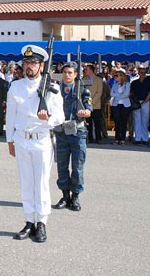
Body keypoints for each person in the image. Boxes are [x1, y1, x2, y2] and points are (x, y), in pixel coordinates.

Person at [6, 45, 64, 243]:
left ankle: (42, 222)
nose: (29, 66)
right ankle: (29, 220)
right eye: (26, 62)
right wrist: (10, 140)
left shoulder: (52, 88)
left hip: (41, 140)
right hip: (21, 140)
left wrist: (48, 118)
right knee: (26, 183)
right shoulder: (15, 86)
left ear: (42, 66)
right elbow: (10, 116)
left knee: (41, 183)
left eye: (33, 63)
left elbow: (60, 117)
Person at [53, 62, 91, 212]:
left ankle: (75, 196)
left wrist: (85, 112)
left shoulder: (82, 89)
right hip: (61, 131)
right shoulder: (56, 90)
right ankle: (65, 195)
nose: (67, 75)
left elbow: (88, 107)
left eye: (70, 73)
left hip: (77, 132)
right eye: (65, 72)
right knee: (62, 166)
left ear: (75, 74)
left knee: (77, 166)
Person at [130, 66, 150, 144]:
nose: (142, 74)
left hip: (145, 102)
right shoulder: (134, 82)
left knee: (145, 121)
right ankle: (137, 138)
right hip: (136, 102)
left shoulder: (149, 82)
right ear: (139, 73)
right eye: (141, 72)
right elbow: (131, 93)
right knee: (137, 120)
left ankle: (145, 138)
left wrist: (144, 102)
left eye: (144, 72)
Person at [110, 69, 131, 144]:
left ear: (121, 76)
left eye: (117, 75)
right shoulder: (115, 84)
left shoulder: (127, 84)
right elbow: (111, 93)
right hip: (116, 104)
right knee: (117, 121)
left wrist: (118, 96)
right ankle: (117, 138)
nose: (116, 77)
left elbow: (126, 94)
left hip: (125, 105)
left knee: (124, 121)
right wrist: (120, 95)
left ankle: (122, 138)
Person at [83, 64, 103, 144]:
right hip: (86, 105)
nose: (85, 71)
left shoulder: (99, 80)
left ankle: (98, 138)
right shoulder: (83, 79)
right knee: (88, 123)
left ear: (91, 70)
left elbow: (99, 92)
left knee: (97, 122)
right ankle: (89, 138)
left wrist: (91, 102)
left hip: (96, 105)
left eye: (87, 69)